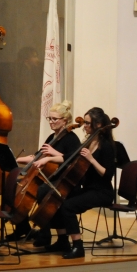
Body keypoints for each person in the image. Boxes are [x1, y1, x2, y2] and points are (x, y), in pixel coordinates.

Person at [37, 107, 117, 259]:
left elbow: (107, 175)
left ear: (98, 125)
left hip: (102, 191)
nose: (85, 126)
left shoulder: (106, 146)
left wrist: (91, 159)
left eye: (88, 123)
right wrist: (48, 158)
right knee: (57, 197)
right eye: (85, 123)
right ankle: (62, 241)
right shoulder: (87, 142)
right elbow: (69, 157)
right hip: (89, 189)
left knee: (68, 206)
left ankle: (78, 246)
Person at [7, 101, 81, 241]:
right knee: (15, 184)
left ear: (64, 121)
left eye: (55, 119)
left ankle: (45, 233)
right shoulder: (52, 137)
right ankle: (22, 228)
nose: (51, 122)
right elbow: (37, 157)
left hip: (62, 181)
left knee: (42, 190)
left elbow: (72, 159)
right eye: (49, 118)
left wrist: (52, 155)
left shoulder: (72, 139)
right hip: (48, 177)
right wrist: (16, 160)